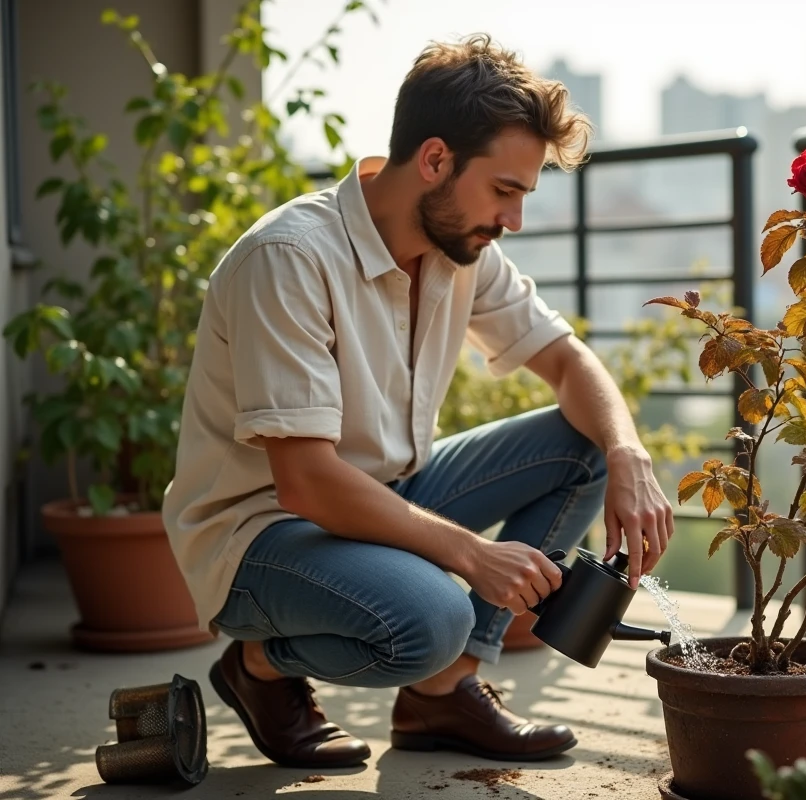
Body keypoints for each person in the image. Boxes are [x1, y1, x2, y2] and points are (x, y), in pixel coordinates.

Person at [162, 33, 675, 769]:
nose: (514, 220)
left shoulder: (459, 248)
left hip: (383, 497)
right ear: (435, 160)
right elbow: (304, 481)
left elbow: (567, 361)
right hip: (260, 535)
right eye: (505, 190)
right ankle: (260, 668)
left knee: (585, 441)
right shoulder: (290, 259)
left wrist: (630, 455)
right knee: (435, 615)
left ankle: (442, 695)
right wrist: (472, 556)